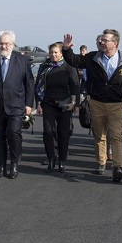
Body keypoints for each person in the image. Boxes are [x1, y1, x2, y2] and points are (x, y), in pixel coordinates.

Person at [62, 30, 122, 182]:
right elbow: (75, 61)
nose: (102, 42)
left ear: (115, 43)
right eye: (102, 40)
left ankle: (118, 167)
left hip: (117, 104)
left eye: (106, 40)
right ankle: (101, 162)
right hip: (97, 103)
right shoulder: (93, 57)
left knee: (117, 136)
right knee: (99, 135)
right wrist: (66, 49)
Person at [0, 30, 35, 179]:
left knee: (14, 133)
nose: (3, 46)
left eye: (6, 43)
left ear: (12, 44)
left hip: (16, 105)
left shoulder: (22, 61)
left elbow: (29, 83)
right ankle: (0, 166)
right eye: (1, 43)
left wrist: (29, 104)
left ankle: (14, 163)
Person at [36, 42, 79, 172]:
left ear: (61, 53)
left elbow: (74, 84)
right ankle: (51, 158)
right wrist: (38, 103)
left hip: (65, 104)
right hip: (48, 103)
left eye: (56, 52)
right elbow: (39, 85)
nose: (53, 55)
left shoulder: (68, 66)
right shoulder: (45, 66)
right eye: (51, 52)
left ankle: (61, 159)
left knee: (63, 133)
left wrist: (74, 102)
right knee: (48, 132)